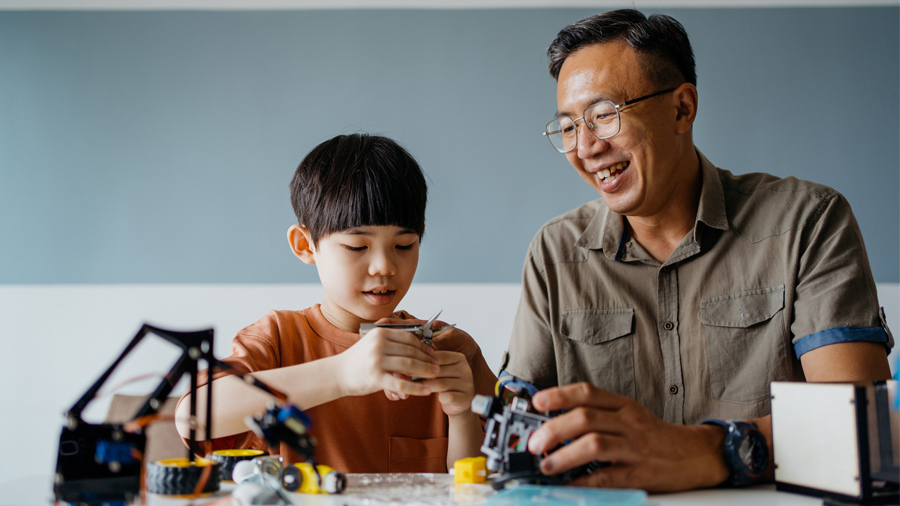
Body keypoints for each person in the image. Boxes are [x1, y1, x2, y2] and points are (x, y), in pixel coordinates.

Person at [503, 9, 894, 492]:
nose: (585, 147)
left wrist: (707, 451)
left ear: (681, 108)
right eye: (567, 127)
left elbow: (860, 429)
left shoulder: (807, 222)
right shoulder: (554, 251)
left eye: (603, 116)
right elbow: (517, 428)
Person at [174, 133, 496, 473]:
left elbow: (490, 484)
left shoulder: (451, 351)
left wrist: (462, 416)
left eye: (404, 245)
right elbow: (193, 418)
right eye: (357, 247)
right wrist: (342, 373)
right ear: (304, 245)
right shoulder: (279, 340)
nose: (385, 266)